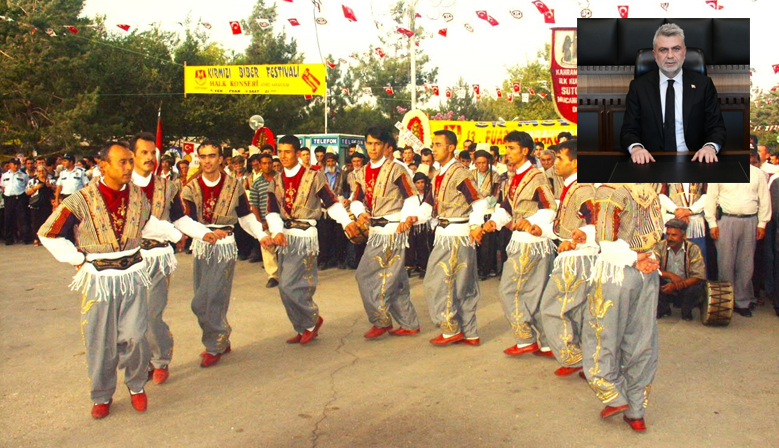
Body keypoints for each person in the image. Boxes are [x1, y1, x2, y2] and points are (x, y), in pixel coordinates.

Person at [38, 141, 183, 419]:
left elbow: (147, 223)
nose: (129, 167)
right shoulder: (81, 199)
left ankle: (136, 386)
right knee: (100, 340)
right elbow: (48, 232)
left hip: (133, 275)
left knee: (135, 336)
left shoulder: (138, 196)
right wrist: (76, 258)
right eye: (122, 162)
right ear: (103, 166)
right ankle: (102, 395)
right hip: (100, 280)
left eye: (130, 161)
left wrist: (176, 234)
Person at [129, 133, 223, 382]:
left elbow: (180, 218)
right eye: (144, 153)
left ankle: (160, 359)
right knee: (131, 318)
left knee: (151, 314)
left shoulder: (166, 186)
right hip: (127, 259)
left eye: (153, 153)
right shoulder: (122, 186)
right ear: (133, 156)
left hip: (157, 257)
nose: (150, 157)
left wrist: (203, 233)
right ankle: (143, 361)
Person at [262, 135, 359, 344]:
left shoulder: (314, 176)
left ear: (298, 154)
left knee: (294, 285)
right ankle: (303, 326)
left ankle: (312, 321)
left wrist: (346, 222)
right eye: (281, 152)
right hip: (285, 237)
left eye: (288, 152)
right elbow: (271, 211)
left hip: (305, 236)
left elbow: (331, 202)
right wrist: (276, 231)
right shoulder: (276, 181)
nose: (283, 156)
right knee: (285, 287)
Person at [583, 183, 663, 432]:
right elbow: (656, 230)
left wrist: (633, 259)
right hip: (647, 271)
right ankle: (636, 410)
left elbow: (606, 241)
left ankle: (613, 395)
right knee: (641, 340)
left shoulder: (610, 189)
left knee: (601, 334)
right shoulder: (650, 187)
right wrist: (648, 258)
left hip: (618, 271)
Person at [180, 139, 268, 367]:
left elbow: (245, 217)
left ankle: (214, 344)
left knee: (212, 298)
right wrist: (202, 233)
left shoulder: (234, 186)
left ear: (220, 159)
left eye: (212, 156)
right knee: (202, 299)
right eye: (203, 156)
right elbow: (185, 219)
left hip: (225, 246)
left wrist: (261, 236)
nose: (207, 161)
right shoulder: (191, 187)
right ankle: (221, 336)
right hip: (202, 246)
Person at [348, 126, 428, 338]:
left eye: (377, 144)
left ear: (386, 146)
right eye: (369, 143)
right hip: (375, 229)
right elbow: (355, 199)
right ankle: (409, 323)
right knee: (396, 281)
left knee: (365, 275)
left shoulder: (396, 169)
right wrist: (359, 213)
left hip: (392, 229)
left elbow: (411, 197)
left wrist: (404, 220)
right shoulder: (361, 172)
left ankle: (381, 320)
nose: (372, 148)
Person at [483, 131, 557, 356]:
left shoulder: (536, 176)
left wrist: (531, 223)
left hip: (531, 242)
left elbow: (550, 207)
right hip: (524, 242)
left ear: (525, 151)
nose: (507, 153)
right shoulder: (515, 176)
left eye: (512, 148)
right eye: (506, 149)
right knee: (535, 292)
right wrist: (494, 222)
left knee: (509, 290)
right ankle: (548, 342)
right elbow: (508, 206)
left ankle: (526, 338)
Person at [621, 23, 726, 164]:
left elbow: (716, 128)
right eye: (663, 50)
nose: (670, 56)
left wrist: (709, 147)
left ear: (684, 52)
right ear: (655, 55)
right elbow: (629, 130)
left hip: (695, 159)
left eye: (676, 49)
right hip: (650, 160)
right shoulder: (638, 87)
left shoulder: (704, 85)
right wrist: (636, 149)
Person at [538, 140, 597, 376]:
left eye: (560, 158)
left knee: (552, 308)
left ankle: (576, 357)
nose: (555, 163)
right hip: (575, 255)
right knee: (578, 311)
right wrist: (542, 231)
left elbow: (597, 222)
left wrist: (576, 240)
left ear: (575, 163)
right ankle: (586, 360)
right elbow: (568, 223)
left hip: (578, 258)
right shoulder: (573, 186)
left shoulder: (582, 189)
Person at [424, 130, 487, 346]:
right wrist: (413, 218)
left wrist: (475, 225)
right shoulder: (439, 173)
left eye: (438, 144)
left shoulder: (460, 173)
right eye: (433, 144)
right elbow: (429, 203)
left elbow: (478, 202)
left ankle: (450, 329)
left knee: (438, 283)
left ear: (450, 147)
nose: (434, 149)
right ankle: (470, 332)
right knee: (461, 285)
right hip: (447, 233)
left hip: (455, 235)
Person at [704, 166, 771, 317]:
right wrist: (712, 223)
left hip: (750, 220)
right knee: (725, 263)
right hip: (726, 220)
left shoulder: (757, 173)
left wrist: (762, 223)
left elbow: (764, 199)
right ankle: (726, 300)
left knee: (746, 263)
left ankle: (742, 301)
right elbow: (711, 198)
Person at [652, 218, 706, 321]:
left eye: (674, 235)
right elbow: (653, 268)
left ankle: (686, 311)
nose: (669, 238)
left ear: (684, 236)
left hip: (685, 285)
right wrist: (670, 275)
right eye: (668, 234)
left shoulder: (693, 249)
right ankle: (664, 309)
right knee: (652, 280)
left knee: (697, 289)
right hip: (665, 285)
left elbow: (698, 276)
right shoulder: (659, 246)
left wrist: (678, 285)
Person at [248, 153, 280, 287]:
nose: (267, 166)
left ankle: (289, 274)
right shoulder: (257, 183)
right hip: (265, 220)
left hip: (281, 219)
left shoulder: (280, 178)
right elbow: (254, 204)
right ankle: (273, 276)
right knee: (268, 247)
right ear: (260, 165)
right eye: (264, 163)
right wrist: (260, 221)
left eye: (269, 163)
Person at [658, 183, 708, 264]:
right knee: (672, 258)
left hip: (695, 225)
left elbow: (708, 195)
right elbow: (661, 195)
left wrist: (690, 210)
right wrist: (677, 211)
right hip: (673, 221)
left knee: (696, 258)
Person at [318, 153, 349, 270]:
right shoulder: (320, 174)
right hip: (324, 208)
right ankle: (323, 261)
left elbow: (346, 190)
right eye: (328, 161)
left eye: (333, 161)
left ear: (336, 161)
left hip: (338, 207)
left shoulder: (343, 174)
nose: (331, 164)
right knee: (324, 236)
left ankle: (340, 260)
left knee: (339, 236)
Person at [473, 149, 500, 280]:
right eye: (479, 163)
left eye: (484, 162)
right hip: (474, 211)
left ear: (488, 162)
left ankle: (486, 269)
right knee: (476, 241)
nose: (482, 165)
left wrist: (482, 202)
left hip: (488, 211)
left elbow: (495, 194)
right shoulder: (471, 174)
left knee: (488, 243)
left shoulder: (495, 175)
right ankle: (477, 267)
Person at [406, 172, 432, 278]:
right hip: (412, 225)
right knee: (410, 247)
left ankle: (423, 268)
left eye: (422, 182)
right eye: (418, 182)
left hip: (424, 225)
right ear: (414, 184)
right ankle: (408, 268)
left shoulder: (429, 195)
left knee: (423, 247)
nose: (420, 185)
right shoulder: (411, 196)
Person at [1, 159, 30, 245]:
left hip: (20, 197)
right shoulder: (5, 175)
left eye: (17, 164)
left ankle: (25, 238)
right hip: (9, 198)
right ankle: (9, 238)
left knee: (22, 218)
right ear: (10, 165)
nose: (16, 166)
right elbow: (3, 186)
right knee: (8, 218)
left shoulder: (24, 175)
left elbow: (27, 186)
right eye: (14, 164)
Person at [25, 165, 55, 246]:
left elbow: (57, 189)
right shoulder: (33, 181)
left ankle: (46, 238)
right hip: (36, 204)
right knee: (36, 222)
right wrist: (36, 187)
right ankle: (36, 238)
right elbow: (27, 192)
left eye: (43, 171)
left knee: (47, 222)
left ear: (46, 171)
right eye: (39, 171)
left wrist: (51, 186)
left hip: (47, 204)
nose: (41, 173)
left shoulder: (51, 180)